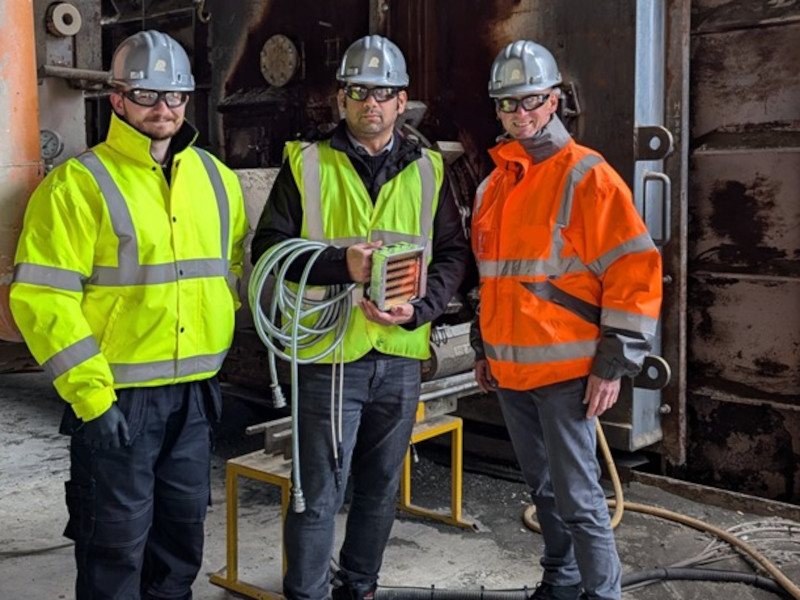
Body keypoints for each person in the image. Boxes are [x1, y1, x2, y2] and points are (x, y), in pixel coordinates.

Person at [10, 30, 248, 600]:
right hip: (117, 399)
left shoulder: (218, 181)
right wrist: (92, 398)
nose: (163, 108)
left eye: (175, 96)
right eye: (147, 95)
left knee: (180, 541)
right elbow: (43, 299)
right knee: (114, 548)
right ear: (116, 99)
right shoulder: (78, 184)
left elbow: (231, 275)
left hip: (193, 397)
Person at [251, 34, 468, 600]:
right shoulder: (307, 163)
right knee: (318, 491)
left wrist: (419, 309)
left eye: (384, 93)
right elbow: (269, 252)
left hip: (398, 354)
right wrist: (338, 265)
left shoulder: (428, 169)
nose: (372, 103)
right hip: (328, 358)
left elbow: (452, 254)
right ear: (341, 99)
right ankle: (306, 592)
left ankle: (360, 587)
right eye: (359, 91)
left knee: (379, 489)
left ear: (402, 102)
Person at [470, 40, 663, 600]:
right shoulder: (494, 185)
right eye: (508, 105)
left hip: (567, 374)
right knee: (544, 491)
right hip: (511, 373)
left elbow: (635, 270)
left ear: (553, 100)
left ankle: (602, 594)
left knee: (578, 499)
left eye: (531, 101)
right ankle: (560, 582)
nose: (520, 115)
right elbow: (494, 280)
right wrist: (485, 352)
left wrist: (613, 364)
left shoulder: (588, 176)